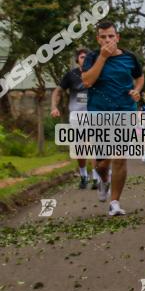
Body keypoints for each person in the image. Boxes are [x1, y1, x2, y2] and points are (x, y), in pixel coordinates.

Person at [81, 20, 144, 216]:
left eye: (111, 36)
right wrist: (103, 57)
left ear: (118, 37)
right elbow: (87, 81)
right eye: (103, 37)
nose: (108, 40)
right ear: (98, 39)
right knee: (101, 164)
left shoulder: (130, 57)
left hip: (125, 110)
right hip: (99, 112)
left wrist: (137, 90)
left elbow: (139, 77)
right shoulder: (91, 57)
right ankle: (104, 180)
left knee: (119, 157)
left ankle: (115, 202)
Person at [51, 48, 97, 189]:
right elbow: (58, 91)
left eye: (88, 57)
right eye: (82, 57)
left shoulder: (97, 73)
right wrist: (54, 106)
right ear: (78, 60)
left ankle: (96, 177)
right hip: (77, 115)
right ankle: (83, 176)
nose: (85, 59)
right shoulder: (71, 75)